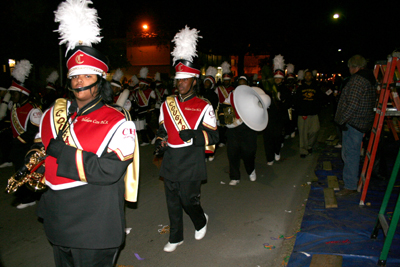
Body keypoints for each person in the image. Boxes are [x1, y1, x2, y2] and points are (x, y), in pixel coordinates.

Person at [35, 1, 139, 266]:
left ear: (98, 80)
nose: (79, 80)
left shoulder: (118, 120)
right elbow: (40, 146)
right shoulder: (55, 114)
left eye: (85, 75)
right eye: (74, 76)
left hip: (94, 229)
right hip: (59, 224)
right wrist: (34, 162)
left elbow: (109, 170)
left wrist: (63, 153)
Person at [155, 26, 218, 252]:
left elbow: (214, 135)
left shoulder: (204, 105)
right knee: (172, 200)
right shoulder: (166, 103)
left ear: (193, 80)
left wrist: (194, 134)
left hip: (191, 159)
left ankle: (201, 220)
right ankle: (175, 237)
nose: (179, 83)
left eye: (184, 79)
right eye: (177, 79)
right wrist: (161, 139)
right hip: (172, 158)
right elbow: (162, 128)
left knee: (187, 200)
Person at [334, 55, 376, 196]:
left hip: (354, 123)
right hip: (361, 121)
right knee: (350, 153)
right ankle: (349, 179)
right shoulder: (368, 78)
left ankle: (350, 185)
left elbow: (352, 105)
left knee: (350, 154)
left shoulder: (357, 81)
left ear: (354, 67)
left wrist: (341, 120)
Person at [8, 59, 43, 209]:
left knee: (28, 172)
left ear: (23, 94)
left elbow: (34, 131)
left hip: (27, 147)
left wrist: (20, 141)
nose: (12, 96)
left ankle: (29, 198)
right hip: (18, 146)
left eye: (15, 93)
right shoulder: (15, 106)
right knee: (18, 171)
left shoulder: (34, 110)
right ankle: (24, 195)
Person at [263, 55, 291, 165]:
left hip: (279, 118)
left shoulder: (285, 89)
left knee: (277, 137)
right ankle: (269, 157)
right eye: (276, 77)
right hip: (268, 117)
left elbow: (288, 103)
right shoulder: (268, 88)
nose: (277, 79)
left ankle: (277, 151)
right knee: (268, 138)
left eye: (279, 77)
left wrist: (282, 99)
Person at [294, 69, 324, 158]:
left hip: (313, 114)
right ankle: (303, 150)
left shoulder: (316, 87)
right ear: (304, 77)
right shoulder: (300, 88)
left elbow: (320, 99)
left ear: (312, 76)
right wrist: (299, 111)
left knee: (315, 130)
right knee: (303, 133)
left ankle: (309, 145)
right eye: (306, 75)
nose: (307, 77)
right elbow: (296, 100)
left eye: (309, 75)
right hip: (303, 114)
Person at [215, 61, 235, 147]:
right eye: (225, 80)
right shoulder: (218, 88)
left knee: (230, 125)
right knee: (221, 126)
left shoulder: (233, 88)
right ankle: (222, 140)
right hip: (221, 108)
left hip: (230, 108)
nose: (226, 82)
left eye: (228, 80)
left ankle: (229, 139)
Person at [202, 66, 219, 161]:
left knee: (211, 137)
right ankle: (205, 154)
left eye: (208, 82)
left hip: (210, 118)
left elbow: (214, 106)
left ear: (211, 84)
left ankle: (211, 154)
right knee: (203, 137)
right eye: (205, 82)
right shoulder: (201, 93)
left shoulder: (214, 95)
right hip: (202, 118)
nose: (206, 83)